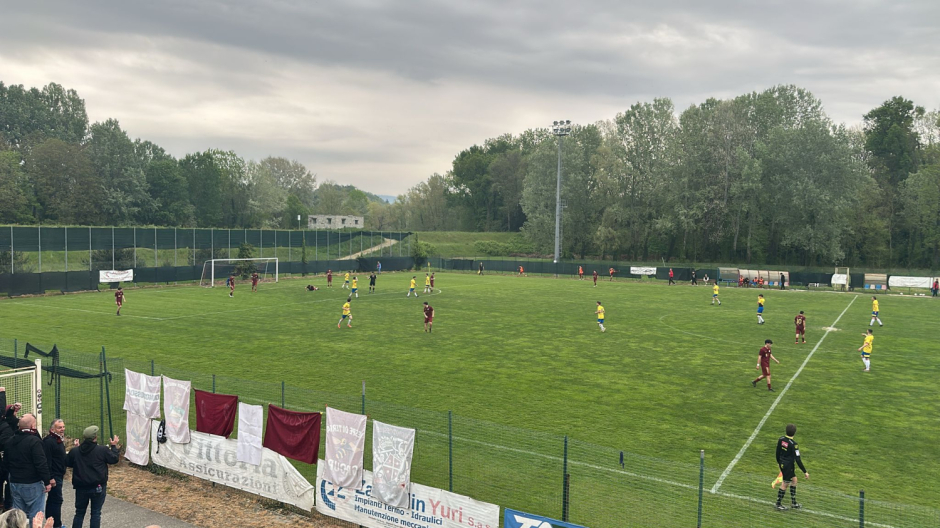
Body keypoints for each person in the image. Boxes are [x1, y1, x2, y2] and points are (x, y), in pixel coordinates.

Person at [66, 426, 120, 528]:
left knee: (79, 513)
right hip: (97, 487)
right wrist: (114, 446)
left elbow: (68, 462)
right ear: (95, 437)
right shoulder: (102, 450)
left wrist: (77, 448)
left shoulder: (75, 451)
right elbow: (114, 459)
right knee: (95, 513)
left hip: (81, 487)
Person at [3, 414, 52, 524]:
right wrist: (47, 481)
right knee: (36, 516)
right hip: (32, 483)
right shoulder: (34, 442)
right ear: (32, 425)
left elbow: (5, 463)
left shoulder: (10, 441)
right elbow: (41, 463)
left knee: (19, 516)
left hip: (15, 482)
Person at [775, 423, 809, 510]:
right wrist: (805, 471)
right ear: (794, 433)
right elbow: (798, 459)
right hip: (788, 466)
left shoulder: (781, 439)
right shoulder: (794, 444)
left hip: (783, 464)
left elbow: (777, 453)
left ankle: (793, 503)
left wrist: (779, 464)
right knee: (785, 484)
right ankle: (778, 504)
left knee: (794, 480)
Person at [0, 395, 22, 512]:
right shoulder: (8, 426)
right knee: (8, 482)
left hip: (6, 459)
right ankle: (7, 505)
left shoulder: (9, 424)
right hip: (7, 460)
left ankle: (6, 504)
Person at [42, 420, 66, 528]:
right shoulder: (49, 442)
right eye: (59, 427)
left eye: (63, 427)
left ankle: (52, 523)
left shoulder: (58, 440)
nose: (62, 429)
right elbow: (47, 461)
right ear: (52, 430)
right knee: (56, 500)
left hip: (59, 474)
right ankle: (56, 524)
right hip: (54, 476)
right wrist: (50, 477)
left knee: (54, 499)